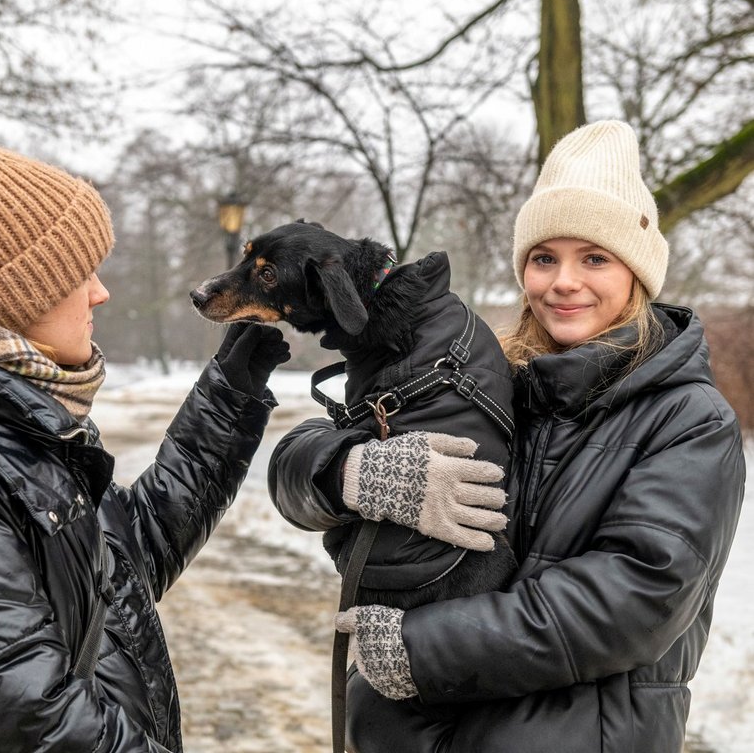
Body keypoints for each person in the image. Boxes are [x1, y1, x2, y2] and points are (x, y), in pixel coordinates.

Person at [268, 120, 746, 752]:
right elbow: (294, 471)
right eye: (544, 258)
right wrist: (350, 472)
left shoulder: (688, 418)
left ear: (638, 272)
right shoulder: (489, 378)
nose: (563, 282)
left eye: (595, 258)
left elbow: (636, 598)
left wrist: (420, 649)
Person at [0, 142, 290, 752]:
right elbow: (41, 731)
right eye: (78, 275)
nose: (99, 293)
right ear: (13, 300)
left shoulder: (6, 430)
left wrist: (229, 397)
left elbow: (124, 564)